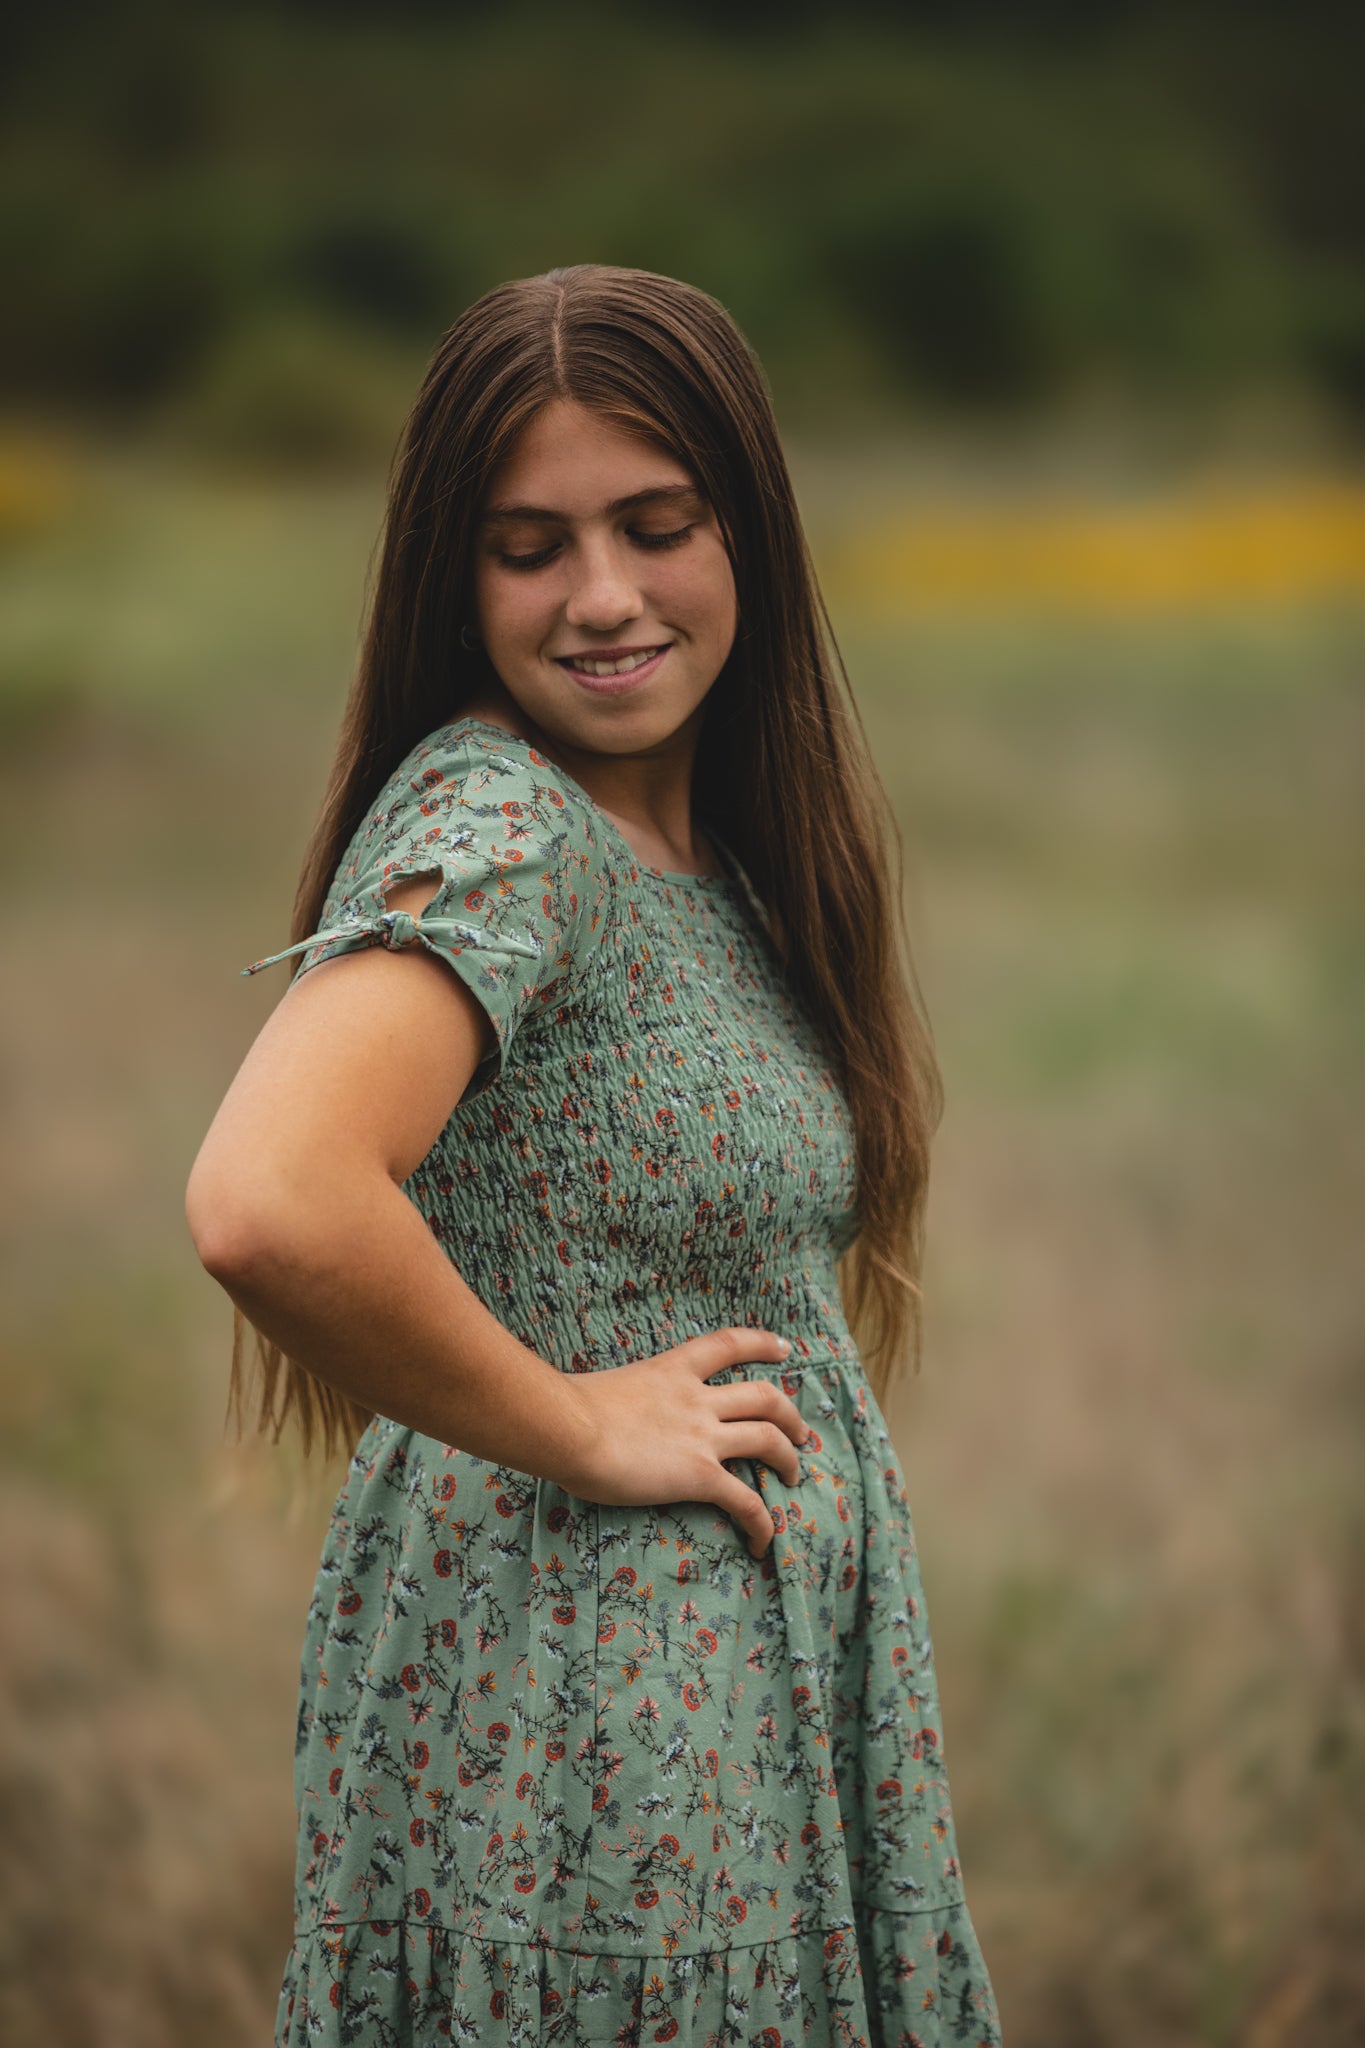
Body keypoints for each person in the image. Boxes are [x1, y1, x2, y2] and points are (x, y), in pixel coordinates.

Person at [186, 263, 1003, 2047]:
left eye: (656, 524)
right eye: (529, 545)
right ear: (452, 576)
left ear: (749, 537)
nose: (604, 598)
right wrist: (577, 1421)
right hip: (588, 1704)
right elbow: (268, 1200)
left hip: (724, 1689)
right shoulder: (499, 825)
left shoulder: (702, 849)